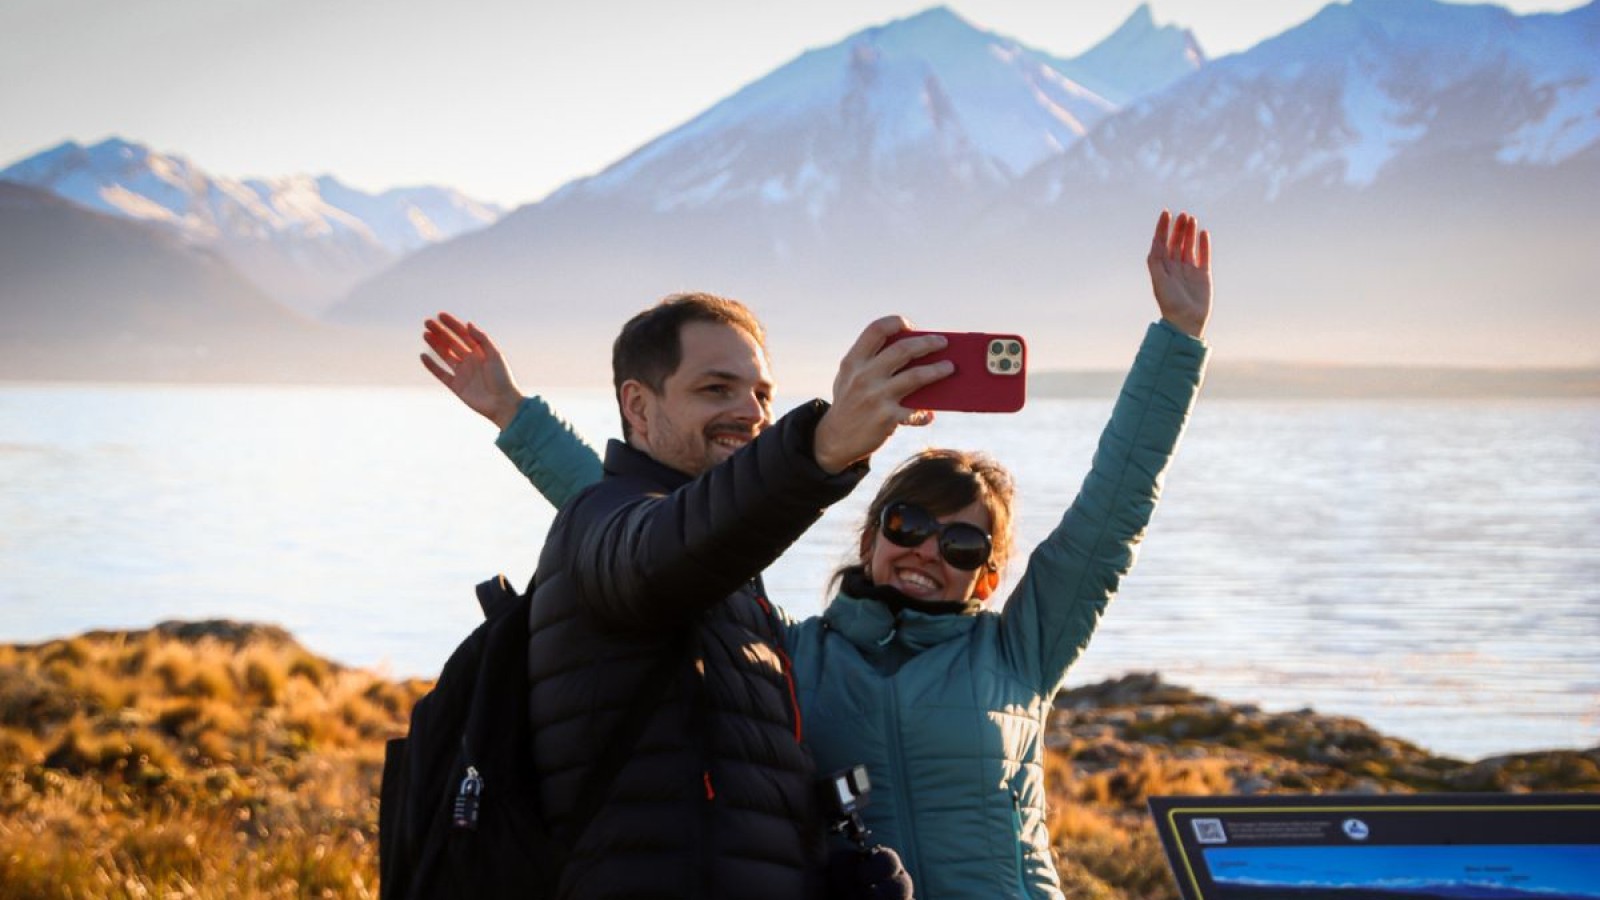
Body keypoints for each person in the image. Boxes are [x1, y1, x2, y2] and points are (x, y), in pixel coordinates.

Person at [425, 210, 1213, 898]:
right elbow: (650, 531)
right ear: (868, 536)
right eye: (908, 524)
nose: (929, 550)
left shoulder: (1019, 651)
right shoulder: (787, 655)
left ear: (990, 574)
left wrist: (1176, 342)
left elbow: (1113, 511)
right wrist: (514, 416)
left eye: (963, 542)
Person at [424, 293, 942, 899]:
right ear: (638, 408)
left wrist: (825, 872)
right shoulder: (601, 525)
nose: (751, 411)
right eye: (717, 389)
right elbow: (655, 547)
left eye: (762, 394)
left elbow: (734, 799)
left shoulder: (734, 582)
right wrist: (823, 444)